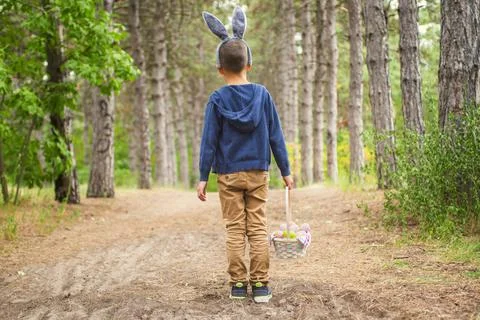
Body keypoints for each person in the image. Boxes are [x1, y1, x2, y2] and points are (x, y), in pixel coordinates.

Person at [197, 6, 293, 303]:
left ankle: (238, 286)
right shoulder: (262, 95)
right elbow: (276, 135)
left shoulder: (216, 99)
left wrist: (203, 177)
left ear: (220, 69)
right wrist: (285, 171)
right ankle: (261, 285)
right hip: (258, 172)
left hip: (227, 175)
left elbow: (209, 141)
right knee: (258, 227)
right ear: (248, 65)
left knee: (235, 230)